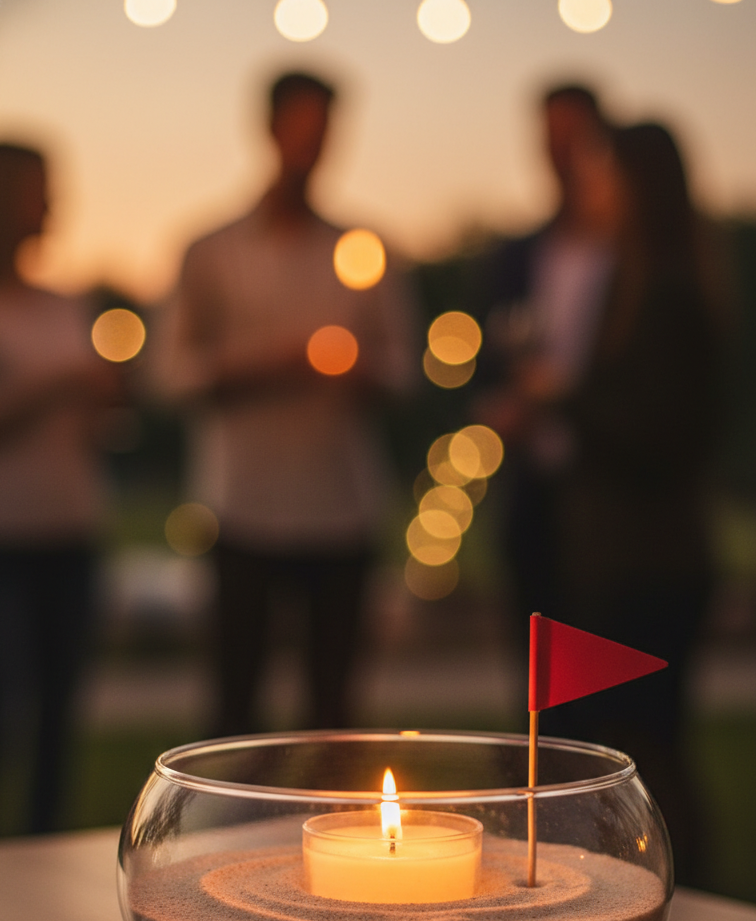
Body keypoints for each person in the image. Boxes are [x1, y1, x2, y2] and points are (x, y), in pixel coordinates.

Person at [155, 71, 416, 733]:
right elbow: (170, 373)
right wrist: (263, 362)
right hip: (244, 506)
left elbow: (402, 369)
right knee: (234, 705)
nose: (313, 146)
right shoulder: (211, 249)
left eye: (324, 132)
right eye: (302, 128)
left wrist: (358, 370)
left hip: (341, 505)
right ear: (270, 129)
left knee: (334, 711)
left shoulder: (363, 248)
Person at [542, 122, 722, 884]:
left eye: (605, 174)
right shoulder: (636, 284)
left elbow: (661, 433)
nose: (593, 189)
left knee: (648, 746)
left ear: (638, 184)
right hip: (626, 552)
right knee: (639, 738)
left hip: (650, 558)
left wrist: (564, 397)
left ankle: (686, 902)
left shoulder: (670, 294)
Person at [0, 144, 119, 834]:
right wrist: (61, 384)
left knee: (57, 718)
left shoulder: (66, 302)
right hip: (6, 541)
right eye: (38, 190)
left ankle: (40, 856)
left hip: (72, 529)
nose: (51, 205)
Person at [475, 84, 616, 635]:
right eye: (550, 139)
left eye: (572, 137)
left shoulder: (632, 261)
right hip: (533, 494)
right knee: (537, 677)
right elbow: (487, 359)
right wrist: (498, 407)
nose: (560, 154)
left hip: (613, 496)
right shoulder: (516, 255)